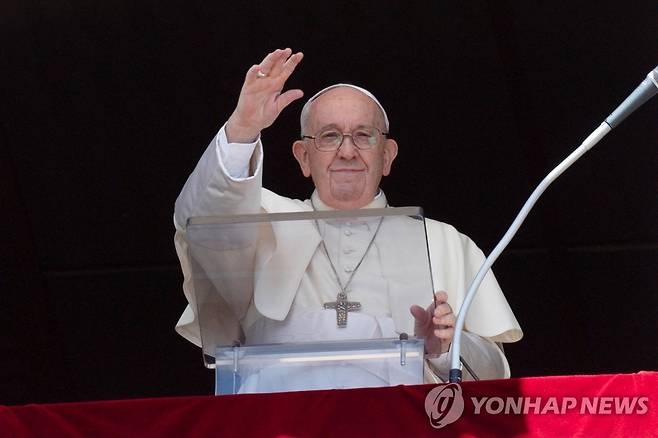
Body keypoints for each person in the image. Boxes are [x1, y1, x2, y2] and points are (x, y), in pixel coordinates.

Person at [173, 48, 522, 384]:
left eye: (363, 136)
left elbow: (494, 378)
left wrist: (444, 349)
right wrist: (243, 128)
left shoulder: (444, 242)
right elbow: (200, 226)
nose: (347, 151)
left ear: (387, 156)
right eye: (329, 137)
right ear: (303, 157)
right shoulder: (262, 222)